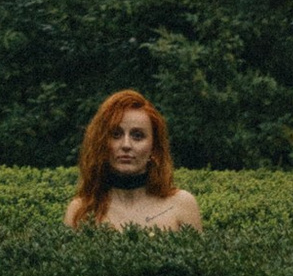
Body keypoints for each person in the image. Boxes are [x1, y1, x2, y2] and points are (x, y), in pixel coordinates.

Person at [65, 87, 202, 231]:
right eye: (116, 134)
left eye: (137, 136)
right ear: (101, 142)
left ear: (154, 147)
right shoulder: (79, 210)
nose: (126, 145)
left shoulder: (182, 205)